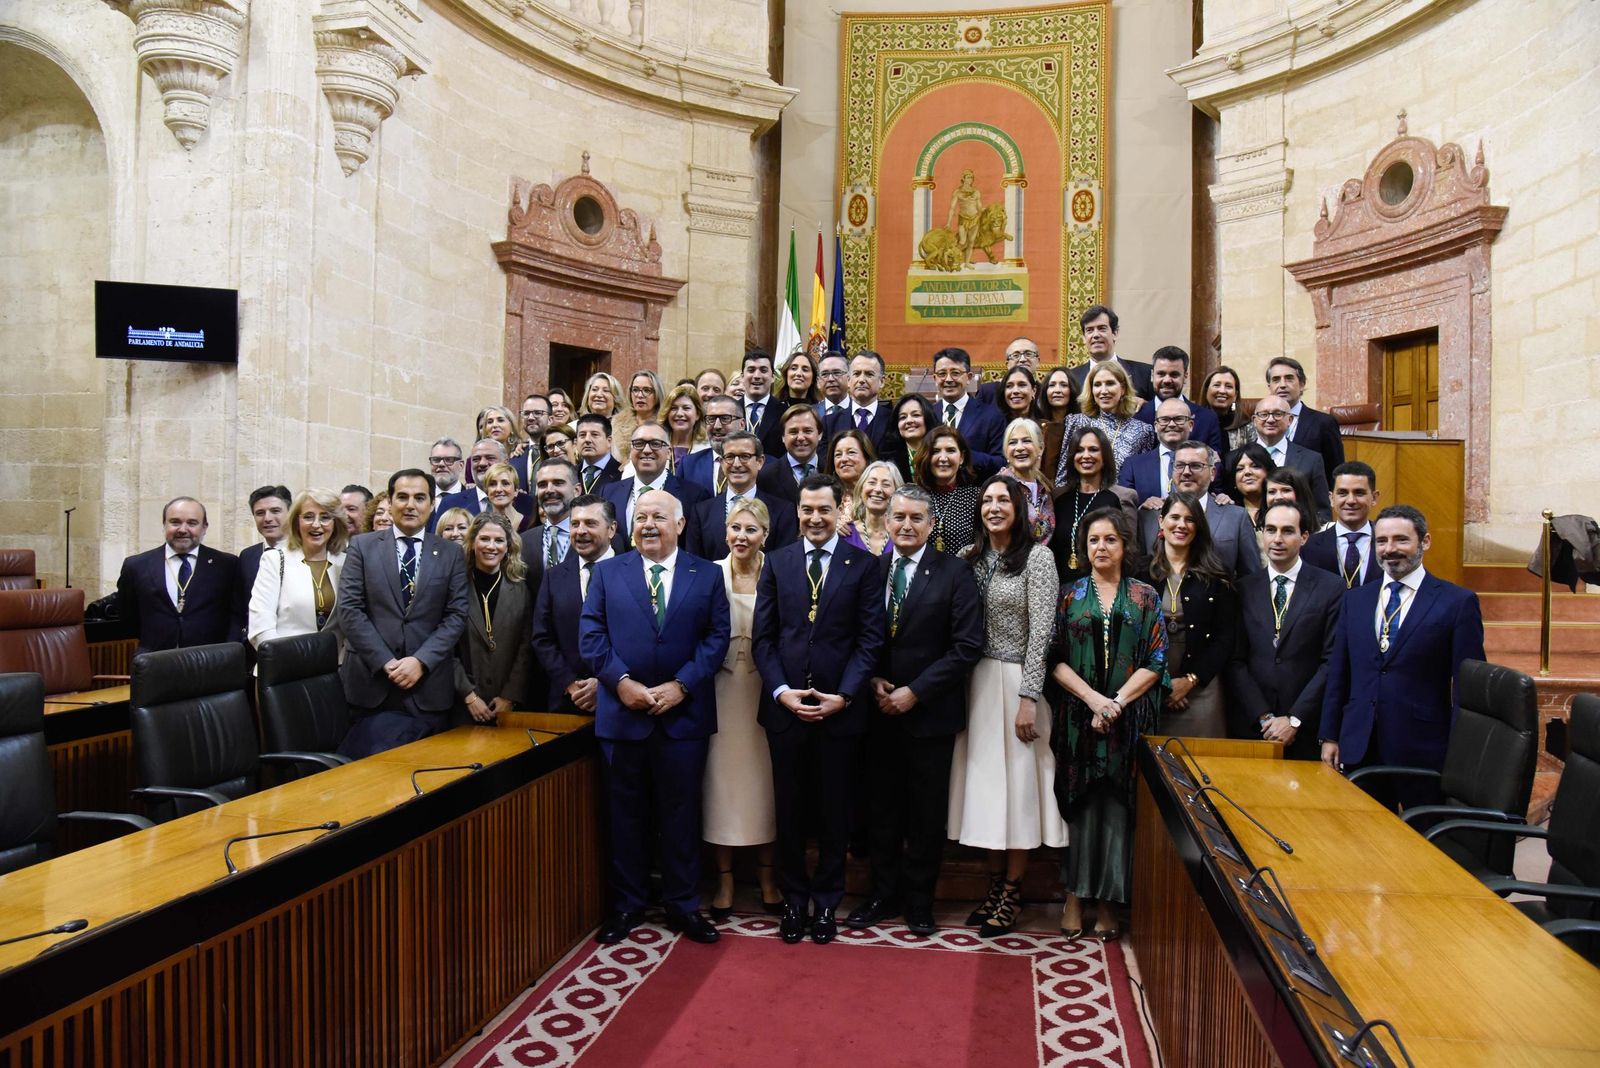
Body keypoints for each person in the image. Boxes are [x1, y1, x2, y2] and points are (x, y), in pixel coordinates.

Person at [581, 489, 731, 946]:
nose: (648, 524)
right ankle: (628, 905)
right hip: (623, 718)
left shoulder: (705, 575)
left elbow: (716, 638)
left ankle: (683, 906)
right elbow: (591, 635)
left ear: (680, 524)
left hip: (683, 719)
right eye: (641, 516)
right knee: (625, 817)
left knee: (681, 816)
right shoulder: (607, 574)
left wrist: (682, 685)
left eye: (659, 517)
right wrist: (621, 683)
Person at [752, 473, 886, 945]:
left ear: (840, 508)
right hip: (785, 710)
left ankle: (826, 902)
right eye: (806, 510)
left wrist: (845, 695)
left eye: (823, 509)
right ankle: (793, 900)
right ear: (797, 511)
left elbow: (871, 640)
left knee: (835, 813)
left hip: (840, 711)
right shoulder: (778, 562)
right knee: (788, 812)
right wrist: (781, 691)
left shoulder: (864, 564)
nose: (814, 518)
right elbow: (763, 640)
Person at [849, 486, 984, 936]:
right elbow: (857, 635)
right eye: (898, 517)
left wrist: (915, 692)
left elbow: (967, 646)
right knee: (881, 810)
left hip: (929, 714)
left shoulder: (955, 573)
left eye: (915, 518)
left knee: (925, 815)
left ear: (932, 524)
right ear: (886, 522)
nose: (906, 525)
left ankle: (919, 902)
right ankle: (883, 894)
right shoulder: (870, 570)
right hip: (877, 711)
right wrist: (871, 680)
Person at [947, 476, 1065, 936]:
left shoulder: (1037, 558)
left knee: (1017, 792)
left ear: (1020, 508)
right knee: (987, 793)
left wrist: (1028, 698)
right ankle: (994, 887)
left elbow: (1042, 634)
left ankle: (1013, 891)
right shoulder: (968, 558)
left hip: (1017, 683)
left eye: (1003, 500)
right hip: (974, 683)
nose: (994, 507)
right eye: (987, 500)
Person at [1049, 507, 1168, 940]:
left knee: (1118, 810)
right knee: (1081, 808)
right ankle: (1075, 896)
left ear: (1125, 546)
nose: (1101, 547)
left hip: (1126, 723)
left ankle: (1107, 902)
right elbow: (1054, 661)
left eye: (1110, 540)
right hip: (1078, 720)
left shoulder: (1145, 597)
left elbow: (1157, 660)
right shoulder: (1067, 595)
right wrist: (1095, 701)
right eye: (1093, 540)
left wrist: (1115, 704)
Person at [1320, 504, 1486, 809]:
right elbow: (1339, 674)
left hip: (1422, 749)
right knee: (1364, 843)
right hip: (1360, 745)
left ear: (1425, 542)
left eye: (1401, 540)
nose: (1390, 549)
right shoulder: (1355, 599)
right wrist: (1330, 735)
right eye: (1381, 541)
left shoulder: (1457, 602)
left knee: (1423, 843)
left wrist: (1460, 752)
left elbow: (1468, 688)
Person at [336, 469, 470, 759]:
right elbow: (350, 609)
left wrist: (421, 661)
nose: (411, 504)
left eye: (420, 498)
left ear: (432, 504)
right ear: (391, 500)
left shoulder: (450, 553)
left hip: (428, 687)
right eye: (403, 497)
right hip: (372, 686)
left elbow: (456, 615)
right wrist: (386, 662)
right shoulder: (362, 546)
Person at [704, 497, 782, 920]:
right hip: (719, 691)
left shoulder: (779, 570)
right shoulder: (709, 573)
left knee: (764, 784)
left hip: (768, 690)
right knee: (721, 786)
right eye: (735, 528)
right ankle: (725, 880)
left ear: (765, 535)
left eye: (751, 530)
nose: (741, 537)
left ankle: (768, 878)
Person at [1227, 501, 1343, 759]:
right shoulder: (1242, 588)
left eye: (1287, 531)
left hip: (1307, 727)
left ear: (1304, 537)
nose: (1277, 539)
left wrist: (1294, 719)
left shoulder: (1330, 587)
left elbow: (1331, 661)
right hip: (1254, 725)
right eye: (1270, 530)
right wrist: (1265, 717)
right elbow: (1235, 661)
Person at [1143, 493, 1237, 738]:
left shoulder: (1218, 574)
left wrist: (1190, 681)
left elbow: (1225, 637)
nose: (1181, 525)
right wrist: (1164, 685)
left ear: (1199, 526)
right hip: (1149, 687)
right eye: (1174, 517)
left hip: (1202, 689)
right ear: (1161, 521)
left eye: (1190, 519)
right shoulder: (1140, 572)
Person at [118, 497, 243, 656]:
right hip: (154, 662)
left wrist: (227, 652)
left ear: (204, 527)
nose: (183, 529)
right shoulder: (136, 566)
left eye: (192, 523)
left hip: (210, 662)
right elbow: (128, 618)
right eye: (175, 522)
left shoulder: (227, 565)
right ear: (164, 525)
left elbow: (237, 615)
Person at [531, 495, 615, 713]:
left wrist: (606, 683)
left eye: (591, 523)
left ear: (611, 529)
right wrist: (570, 683)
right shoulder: (554, 577)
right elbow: (542, 637)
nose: (580, 531)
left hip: (619, 700)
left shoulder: (634, 571)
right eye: (575, 524)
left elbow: (639, 639)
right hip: (566, 701)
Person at [1136, 441, 1262, 579]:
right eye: (1180, 465)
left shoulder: (1236, 516)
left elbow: (1251, 578)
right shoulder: (1148, 515)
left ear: (1213, 473)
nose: (1186, 472)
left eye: (1196, 466)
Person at [454, 512, 532, 726]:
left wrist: (510, 696)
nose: (491, 546)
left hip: (507, 706)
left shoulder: (520, 589)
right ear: (472, 543)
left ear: (508, 547)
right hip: (462, 705)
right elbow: (446, 650)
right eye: (484, 539)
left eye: (499, 540)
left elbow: (525, 648)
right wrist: (468, 696)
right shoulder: (455, 587)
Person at [248, 488, 348, 654]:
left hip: (333, 669)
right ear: (296, 522)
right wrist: (287, 660)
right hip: (284, 668)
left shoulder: (346, 564)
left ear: (335, 523)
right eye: (308, 517)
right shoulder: (275, 560)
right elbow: (261, 623)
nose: (316, 524)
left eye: (325, 517)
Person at [684, 431, 797, 560]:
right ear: (721, 463)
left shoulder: (783, 511)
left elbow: (783, 563)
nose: (736, 464)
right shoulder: (701, 512)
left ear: (760, 461)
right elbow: (694, 564)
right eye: (730, 457)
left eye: (744, 456)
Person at [600, 420, 710, 551]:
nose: (646, 450)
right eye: (639, 444)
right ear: (631, 450)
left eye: (655, 444)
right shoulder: (609, 492)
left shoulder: (694, 495)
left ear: (669, 452)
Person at [1049, 425, 1125, 585]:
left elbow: (1119, 554)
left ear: (1104, 457)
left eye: (1093, 450)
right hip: (1060, 590)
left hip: (1098, 592)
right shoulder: (1060, 500)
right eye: (1080, 450)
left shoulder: (1112, 501)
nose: (1086, 456)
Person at [1059, 360, 1157, 480]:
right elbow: (1063, 475)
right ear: (1091, 390)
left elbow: (1142, 477)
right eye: (1097, 384)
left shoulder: (1143, 430)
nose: (1104, 391)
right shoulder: (1076, 422)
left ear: (1123, 388)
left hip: (1124, 497)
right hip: (1082, 496)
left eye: (1110, 383)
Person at [1237, 393, 1330, 517]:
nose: (1270, 420)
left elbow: (1322, 511)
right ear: (1254, 420)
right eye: (1264, 415)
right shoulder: (1234, 458)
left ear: (1290, 420)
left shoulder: (1312, 459)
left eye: (1278, 414)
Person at [1267, 356, 1345, 487]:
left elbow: (1336, 470)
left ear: (1302, 384)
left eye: (1289, 378)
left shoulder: (1324, 423)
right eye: (1276, 380)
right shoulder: (1261, 422)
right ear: (1270, 387)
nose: (1282, 385)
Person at [1132, 346, 1225, 453]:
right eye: (1161, 374)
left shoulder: (1207, 419)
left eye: (1174, 374)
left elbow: (1215, 465)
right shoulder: (1135, 417)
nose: (1167, 380)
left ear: (1185, 377)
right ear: (1152, 376)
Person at [824, 350, 906, 472]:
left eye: (869, 374)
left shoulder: (895, 421)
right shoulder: (829, 422)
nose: (861, 379)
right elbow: (825, 463)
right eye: (856, 374)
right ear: (848, 380)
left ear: (882, 382)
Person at [1304, 461, 1382, 587]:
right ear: (1331, 498)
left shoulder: (1388, 544)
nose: (1351, 500)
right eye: (1343, 493)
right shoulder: (1309, 546)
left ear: (1374, 498)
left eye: (1359, 493)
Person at [930, 347, 1005, 474]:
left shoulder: (991, 416)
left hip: (975, 489)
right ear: (935, 378)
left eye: (955, 373)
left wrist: (964, 455)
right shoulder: (928, 414)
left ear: (969, 377)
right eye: (942, 374)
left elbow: (1001, 462)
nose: (948, 379)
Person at [914, 425, 982, 555]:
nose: (943, 458)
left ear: (961, 457)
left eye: (950, 450)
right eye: (936, 451)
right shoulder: (915, 497)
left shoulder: (977, 497)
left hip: (963, 571)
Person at [1118, 397, 1199, 505]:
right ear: (1155, 426)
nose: (1171, 424)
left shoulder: (1206, 461)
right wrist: (1142, 508)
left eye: (1179, 419)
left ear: (1190, 425)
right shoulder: (1133, 465)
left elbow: (1215, 497)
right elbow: (1124, 507)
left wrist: (1221, 497)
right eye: (1164, 420)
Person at [1066, 304, 1154, 401]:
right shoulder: (1070, 379)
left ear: (1115, 333)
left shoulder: (1145, 374)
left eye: (1102, 328)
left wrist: (1146, 406)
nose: (1095, 335)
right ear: (1084, 338)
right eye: (1089, 330)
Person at [239, 485, 292, 637]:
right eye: (260, 513)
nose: (267, 519)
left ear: (290, 513)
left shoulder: (305, 554)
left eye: (275, 511)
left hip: (294, 645)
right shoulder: (247, 556)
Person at [755, 404, 826, 505]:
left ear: (819, 434)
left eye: (807, 431)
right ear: (783, 437)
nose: (801, 437)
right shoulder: (765, 477)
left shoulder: (832, 470)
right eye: (793, 432)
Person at [998, 417, 1055, 544]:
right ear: (1006, 451)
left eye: (1027, 441)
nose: (1019, 448)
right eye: (1012, 442)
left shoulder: (1045, 488)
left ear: (1041, 448)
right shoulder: (999, 486)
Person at [678, 393, 742, 495]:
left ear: (741, 425)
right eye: (711, 419)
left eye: (725, 418)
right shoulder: (688, 465)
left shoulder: (762, 466)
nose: (717, 426)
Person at [843, 460, 901, 557]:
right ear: (861, 489)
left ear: (897, 493)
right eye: (872, 482)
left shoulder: (903, 534)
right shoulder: (845, 533)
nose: (878, 489)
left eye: (886, 484)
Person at [438, 438, 507, 517]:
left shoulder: (521, 503)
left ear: (505, 463)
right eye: (476, 459)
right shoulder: (450, 504)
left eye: (490, 458)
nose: (482, 463)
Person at [614, 369, 665, 469]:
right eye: (635, 390)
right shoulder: (617, 423)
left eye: (646, 390)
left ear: (657, 394)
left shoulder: (665, 424)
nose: (640, 395)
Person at [739, 349, 785, 458]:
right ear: (742, 377)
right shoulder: (730, 410)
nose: (757, 376)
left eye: (763, 370)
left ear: (773, 377)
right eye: (751, 370)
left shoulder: (784, 412)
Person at [1200, 366, 1254, 452]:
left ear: (1235, 395)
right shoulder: (1194, 421)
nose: (1222, 391)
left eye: (1228, 386)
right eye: (1216, 385)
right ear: (1206, 390)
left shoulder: (1246, 425)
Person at [662, 383, 709, 474]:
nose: (679, 413)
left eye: (686, 408)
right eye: (674, 408)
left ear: (698, 414)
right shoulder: (656, 443)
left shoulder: (707, 449)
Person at [1039, 366, 1077, 478]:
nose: (1057, 390)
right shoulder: (1036, 425)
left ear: (1072, 390)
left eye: (1064, 385)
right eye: (1052, 385)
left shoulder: (1081, 424)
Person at [891, 393, 938, 483]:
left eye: (916, 415)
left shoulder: (940, 453)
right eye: (903, 417)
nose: (909, 421)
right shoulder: (889, 459)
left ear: (928, 418)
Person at [574, 413, 623, 494]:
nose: (587, 439)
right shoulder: (571, 474)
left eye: (594, 434)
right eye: (582, 435)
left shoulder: (622, 473)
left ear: (609, 441)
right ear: (575, 442)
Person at [425, 438, 466, 532]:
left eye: (449, 460)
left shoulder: (473, 500)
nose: (441, 464)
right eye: (436, 460)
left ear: (461, 465)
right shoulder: (421, 499)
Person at [822, 428, 875, 500]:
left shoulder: (877, 495)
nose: (843, 459)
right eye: (838, 454)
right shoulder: (823, 497)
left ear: (867, 458)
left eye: (851, 452)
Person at [474, 405, 522, 482]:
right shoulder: (477, 458)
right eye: (490, 422)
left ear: (512, 426)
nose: (495, 425)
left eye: (500, 420)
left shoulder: (522, 452)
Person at [480, 461, 533, 533]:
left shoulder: (531, 525)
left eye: (505, 483)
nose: (498, 489)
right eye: (492, 484)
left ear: (516, 491)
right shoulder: (480, 527)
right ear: (486, 491)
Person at [511, 394, 551, 489]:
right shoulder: (516, 456)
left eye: (537, 413)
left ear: (550, 419)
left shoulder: (558, 452)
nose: (531, 418)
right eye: (526, 413)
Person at [815, 351, 850, 421]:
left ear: (849, 378)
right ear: (818, 381)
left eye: (837, 373)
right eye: (825, 374)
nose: (831, 379)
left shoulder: (861, 411)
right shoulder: (810, 413)